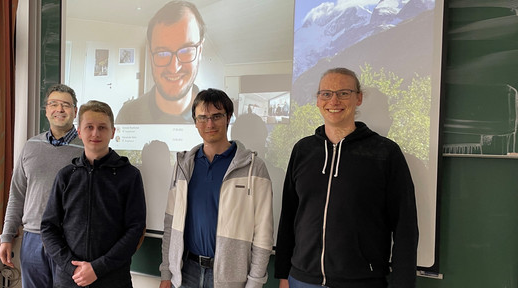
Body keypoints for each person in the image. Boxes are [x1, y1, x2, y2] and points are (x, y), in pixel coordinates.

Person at [274, 68, 419, 288]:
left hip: (361, 282)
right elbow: (289, 214)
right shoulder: (303, 150)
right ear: (317, 100)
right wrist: (284, 274)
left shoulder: (384, 153)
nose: (334, 100)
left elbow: (405, 226)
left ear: (358, 98)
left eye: (343, 93)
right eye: (326, 94)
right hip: (301, 279)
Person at [159, 88, 274, 288]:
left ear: (228, 117)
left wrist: (255, 282)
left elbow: (263, 233)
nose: (209, 124)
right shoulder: (183, 165)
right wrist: (166, 273)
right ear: (195, 122)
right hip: (187, 273)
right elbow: (171, 225)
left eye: (216, 116)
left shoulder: (254, 167)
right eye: (202, 117)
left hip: (231, 278)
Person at [41, 100, 146, 288]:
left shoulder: (129, 176)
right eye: (89, 127)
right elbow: (49, 228)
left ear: (113, 132)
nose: (95, 133)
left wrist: (97, 268)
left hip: (113, 280)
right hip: (70, 280)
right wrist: (72, 268)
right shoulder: (66, 176)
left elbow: (135, 230)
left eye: (102, 127)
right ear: (79, 132)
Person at [0, 84, 83, 288]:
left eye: (66, 105)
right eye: (53, 104)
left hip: (70, 240)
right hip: (33, 240)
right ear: (46, 110)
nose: (59, 109)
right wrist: (6, 237)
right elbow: (17, 196)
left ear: (75, 111)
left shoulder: (86, 149)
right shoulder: (31, 146)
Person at [116, 0, 205, 124]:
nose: (174, 68)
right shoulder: (128, 115)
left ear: (200, 50)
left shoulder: (221, 114)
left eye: (186, 51)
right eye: (162, 53)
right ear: (150, 54)